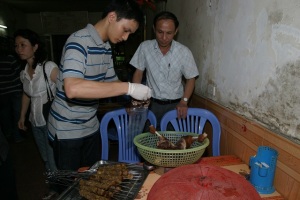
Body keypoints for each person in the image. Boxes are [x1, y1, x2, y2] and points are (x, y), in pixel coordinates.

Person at [47, 0, 151, 171]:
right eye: (125, 30)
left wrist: (134, 96)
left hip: (91, 124)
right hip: (67, 129)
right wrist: (130, 87)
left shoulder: (106, 47)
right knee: (70, 186)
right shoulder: (78, 41)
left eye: (129, 34)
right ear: (112, 17)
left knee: (92, 180)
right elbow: (73, 88)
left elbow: (112, 81)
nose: (125, 37)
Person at [130, 11, 199, 129]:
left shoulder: (184, 52)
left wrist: (184, 101)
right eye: (160, 32)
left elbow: (191, 79)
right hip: (150, 104)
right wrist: (136, 99)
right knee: (148, 141)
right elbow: (138, 73)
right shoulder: (145, 47)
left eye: (169, 33)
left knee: (173, 144)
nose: (164, 37)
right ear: (153, 29)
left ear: (176, 31)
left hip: (176, 106)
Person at [15, 29, 58, 172]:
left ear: (35, 46)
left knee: (53, 159)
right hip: (35, 122)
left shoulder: (48, 67)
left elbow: (65, 88)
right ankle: (53, 187)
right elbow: (27, 94)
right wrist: (22, 116)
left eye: (23, 45)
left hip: (50, 120)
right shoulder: (23, 73)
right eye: (17, 46)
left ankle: (59, 190)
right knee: (45, 157)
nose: (19, 49)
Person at [0, 52, 25, 143]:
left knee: (5, 114)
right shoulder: (10, 58)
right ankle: (17, 136)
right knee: (17, 114)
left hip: (2, 92)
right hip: (15, 90)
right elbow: (19, 72)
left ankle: (8, 134)